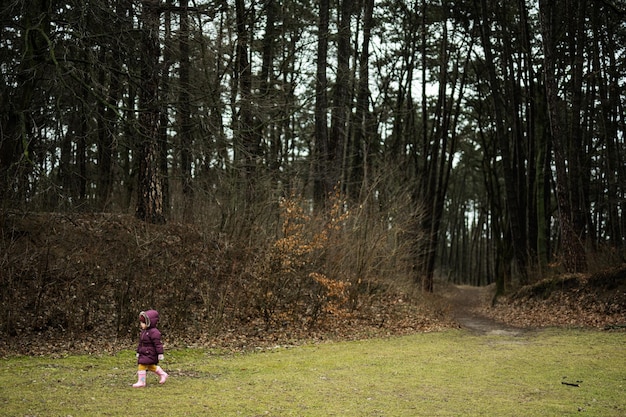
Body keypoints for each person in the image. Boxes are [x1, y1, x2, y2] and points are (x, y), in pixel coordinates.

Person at [132, 309, 168, 388]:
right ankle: (163, 374)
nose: (141, 324)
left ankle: (141, 381)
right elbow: (141, 343)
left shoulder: (154, 332)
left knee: (141, 365)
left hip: (150, 353)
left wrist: (160, 353)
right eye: (141, 323)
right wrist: (138, 351)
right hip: (144, 352)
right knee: (150, 366)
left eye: (143, 323)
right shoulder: (144, 332)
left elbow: (158, 344)